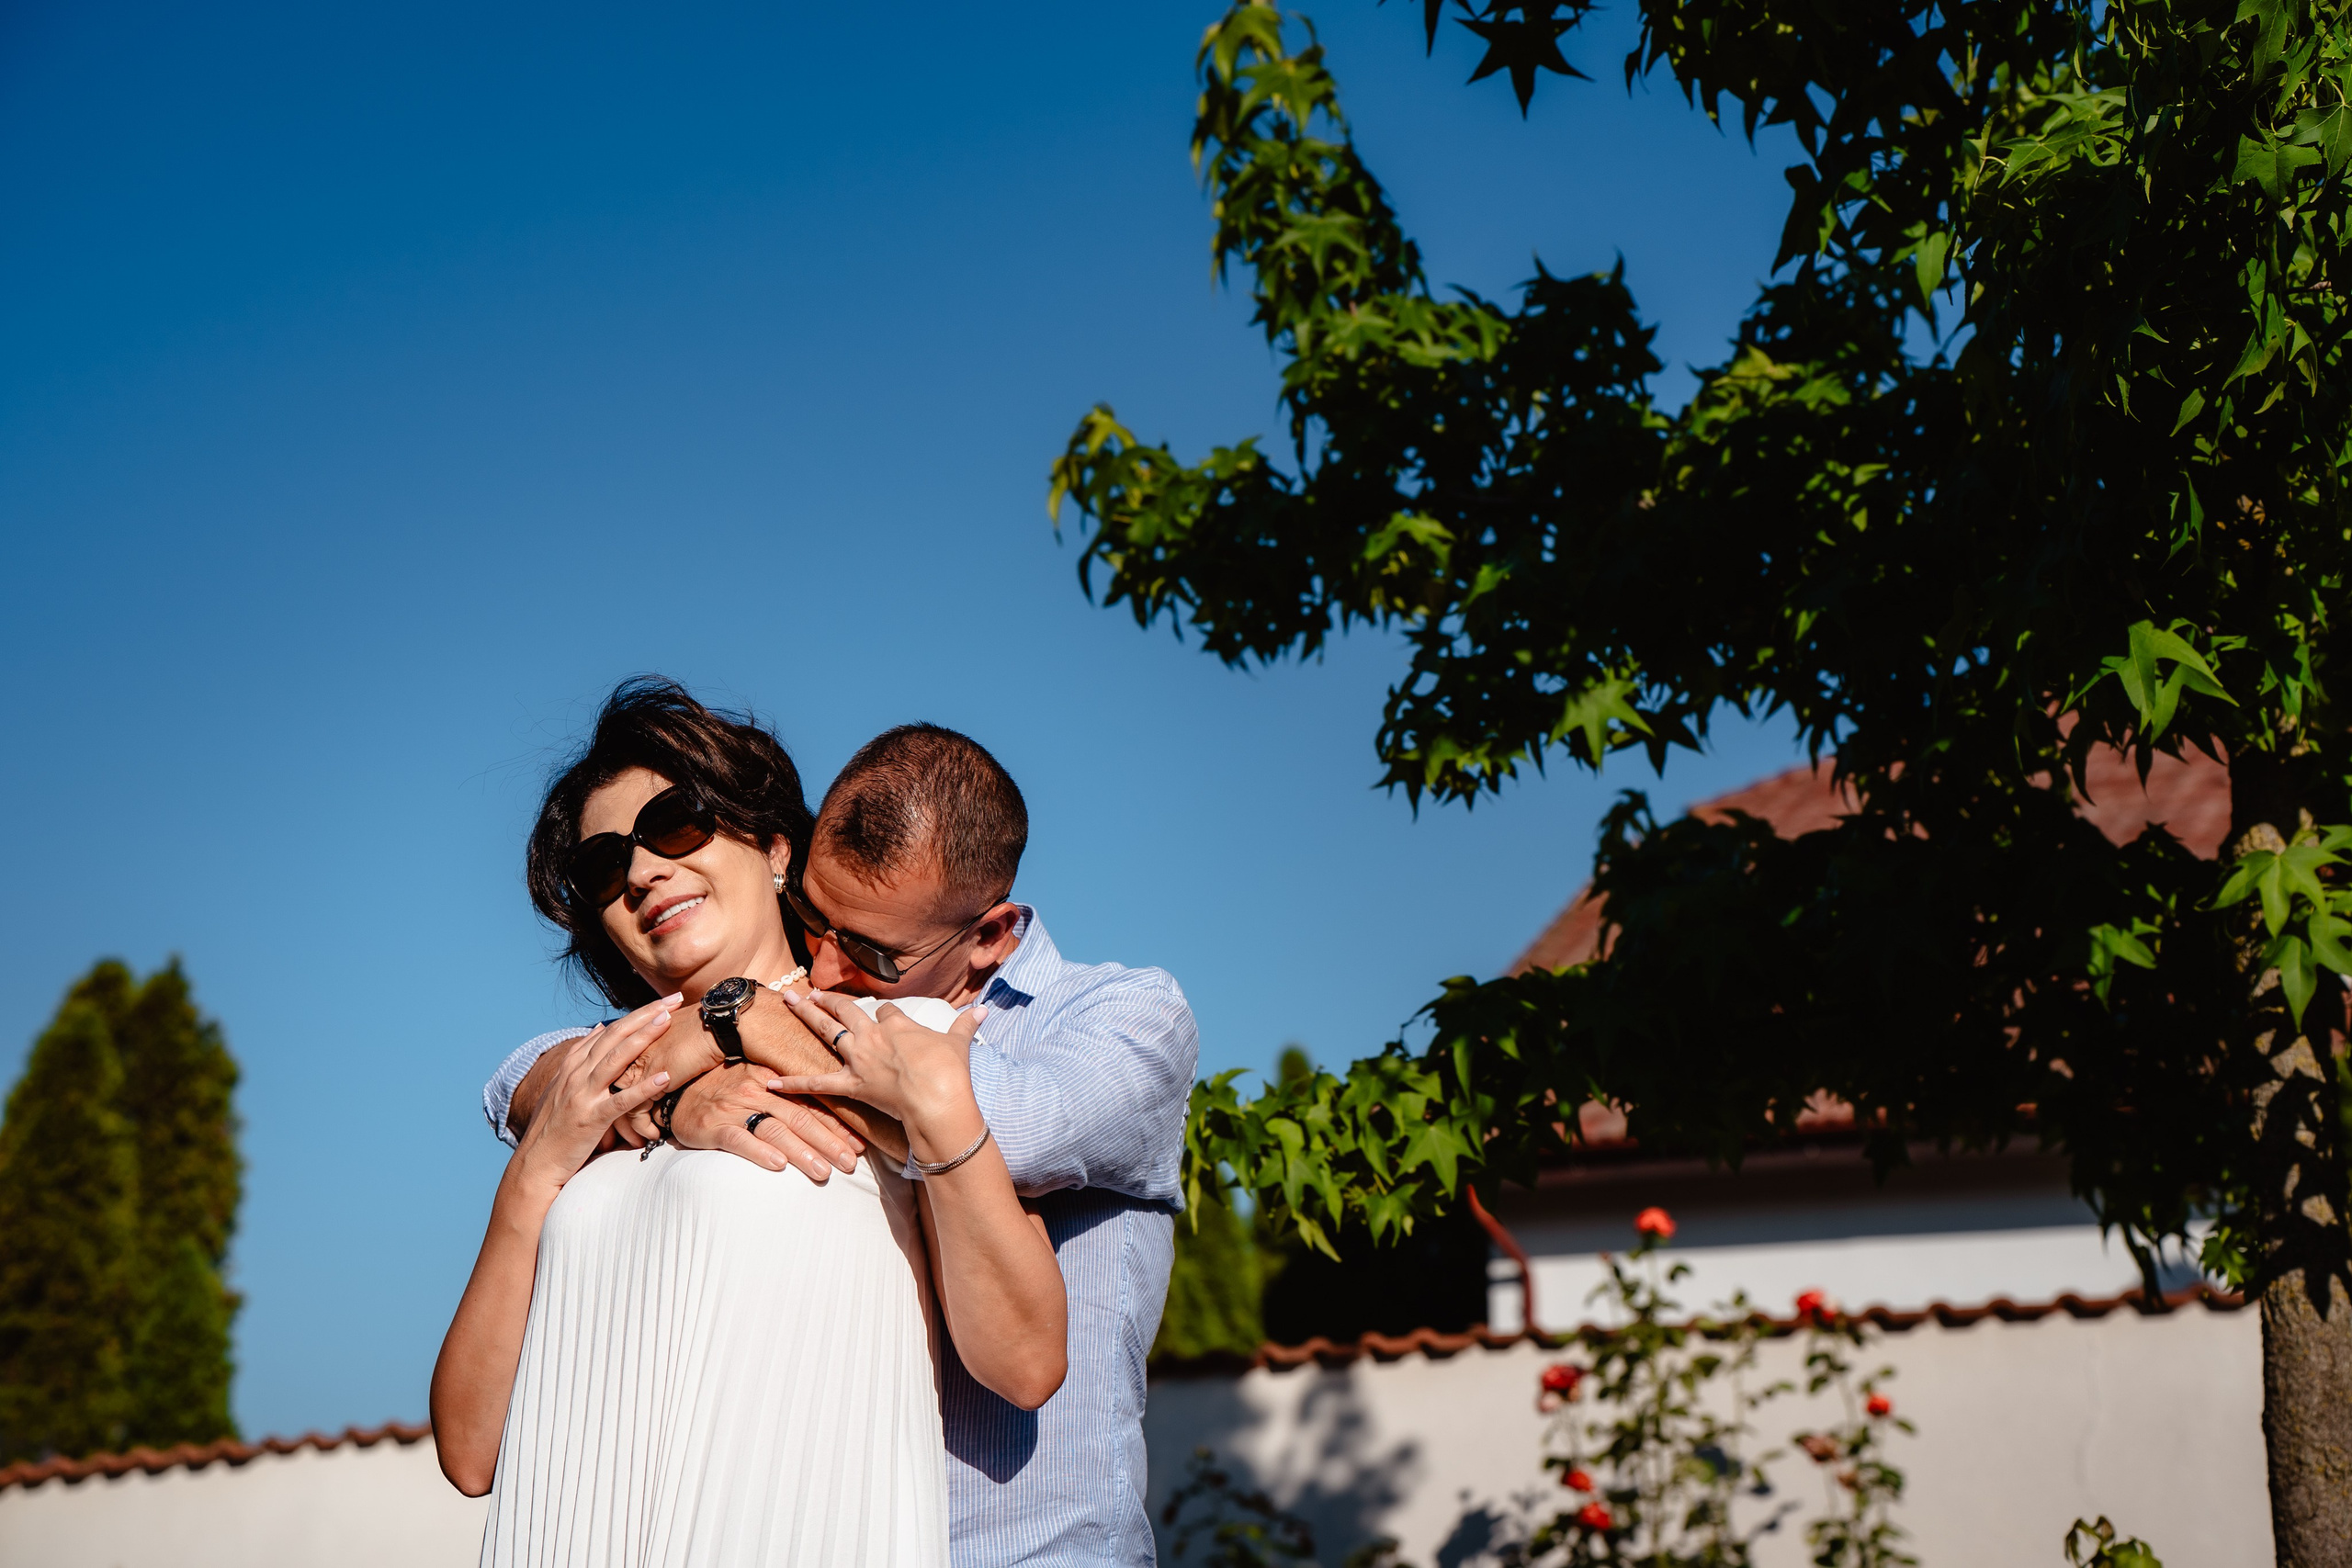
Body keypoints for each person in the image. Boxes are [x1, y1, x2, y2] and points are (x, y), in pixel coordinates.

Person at [488, 713, 1201, 1567]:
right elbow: (520, 1079)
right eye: (813, 923)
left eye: (865, 948)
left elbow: (991, 1120)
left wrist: (737, 1019)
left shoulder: (1122, 1020)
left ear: (989, 936)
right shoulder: (822, 1006)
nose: (824, 969)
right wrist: (679, 1089)